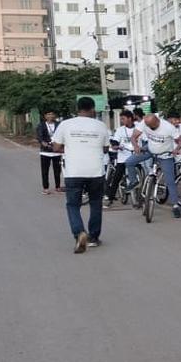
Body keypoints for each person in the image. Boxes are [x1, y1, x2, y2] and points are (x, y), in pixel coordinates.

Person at [53, 97, 111, 253]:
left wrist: (70, 148)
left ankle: (79, 233)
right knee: (95, 203)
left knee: (73, 205)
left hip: (74, 172)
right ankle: (93, 237)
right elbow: (106, 148)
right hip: (96, 171)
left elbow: (56, 147)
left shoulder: (65, 124)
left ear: (77, 109)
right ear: (92, 109)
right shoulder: (100, 125)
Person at [125, 113, 181, 218]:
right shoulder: (144, 123)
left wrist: (176, 149)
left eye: (152, 126)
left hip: (165, 155)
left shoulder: (168, 128)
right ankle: (134, 182)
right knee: (129, 162)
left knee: (170, 181)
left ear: (157, 121)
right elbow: (133, 137)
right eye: (148, 126)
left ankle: (175, 206)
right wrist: (136, 146)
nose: (150, 128)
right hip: (150, 150)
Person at [105, 110, 135, 207]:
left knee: (140, 176)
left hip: (136, 157)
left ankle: (140, 197)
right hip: (123, 157)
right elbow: (115, 141)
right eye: (121, 119)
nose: (122, 121)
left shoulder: (138, 129)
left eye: (123, 119)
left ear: (130, 118)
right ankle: (110, 199)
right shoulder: (120, 130)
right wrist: (116, 145)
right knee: (116, 177)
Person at [36, 110, 63, 194]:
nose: (50, 116)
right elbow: (39, 137)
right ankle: (45, 188)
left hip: (57, 151)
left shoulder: (59, 124)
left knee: (57, 170)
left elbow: (62, 135)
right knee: (45, 171)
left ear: (54, 115)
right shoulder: (41, 125)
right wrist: (43, 143)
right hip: (45, 152)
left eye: (52, 114)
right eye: (48, 114)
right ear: (45, 116)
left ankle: (58, 187)